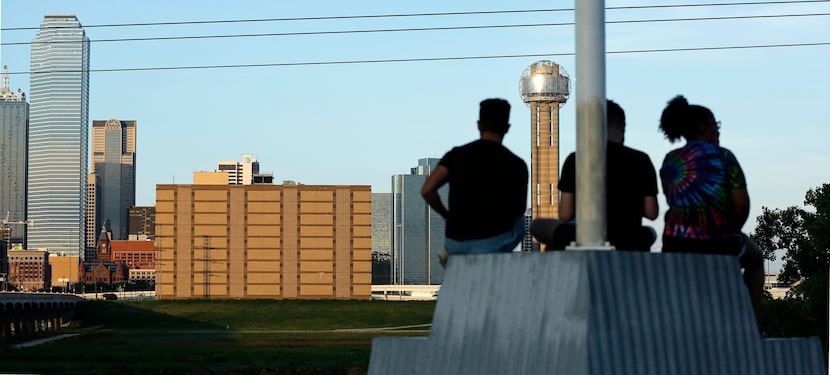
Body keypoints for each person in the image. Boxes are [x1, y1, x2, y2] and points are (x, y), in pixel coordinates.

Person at [658, 95, 764, 317]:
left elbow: (673, 199)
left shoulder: (670, 159)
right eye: (715, 126)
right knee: (755, 260)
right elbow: (741, 205)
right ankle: (752, 322)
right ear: (704, 127)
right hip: (717, 241)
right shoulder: (723, 157)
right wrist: (730, 230)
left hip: (675, 242)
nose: (718, 131)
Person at [530, 99, 659, 251]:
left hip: (583, 237)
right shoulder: (641, 159)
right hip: (628, 237)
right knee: (651, 232)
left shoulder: (575, 159)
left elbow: (565, 214)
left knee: (537, 225)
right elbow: (652, 213)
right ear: (623, 128)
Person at [421, 98, 528, 266]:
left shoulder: (456, 155)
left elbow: (427, 190)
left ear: (479, 125)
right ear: (507, 128)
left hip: (455, 241)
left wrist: (446, 216)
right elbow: (519, 210)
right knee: (520, 223)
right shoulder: (516, 164)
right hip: (492, 244)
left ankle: (451, 253)